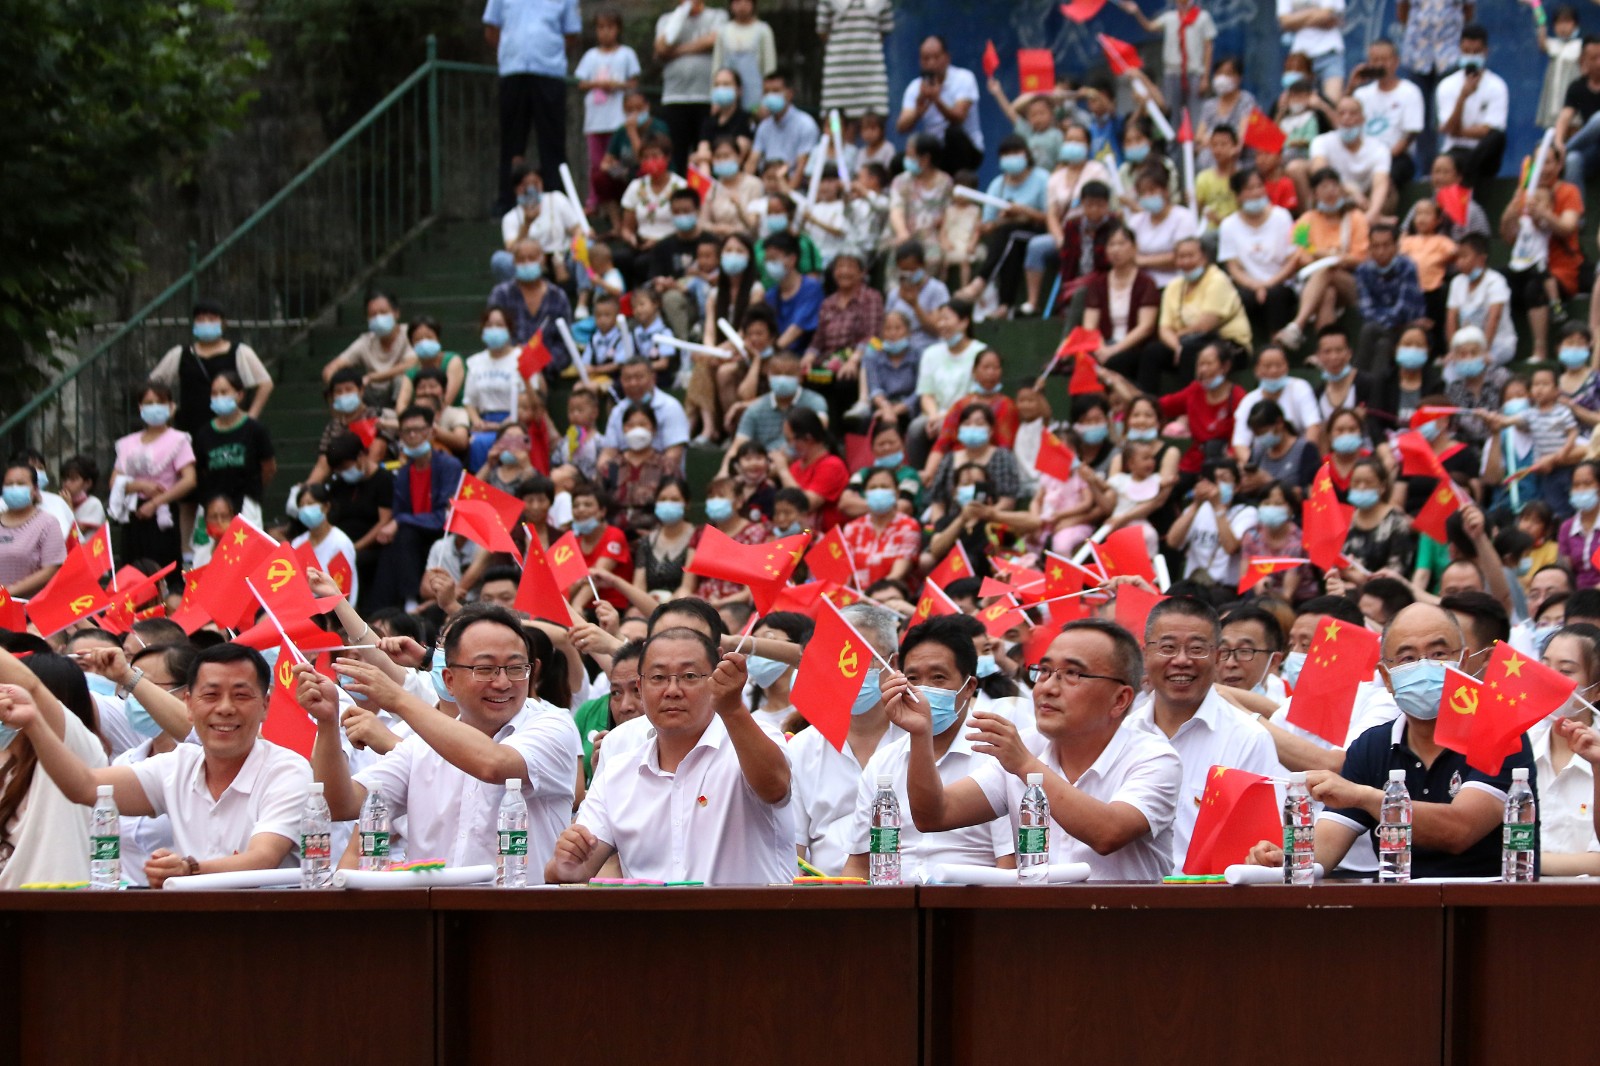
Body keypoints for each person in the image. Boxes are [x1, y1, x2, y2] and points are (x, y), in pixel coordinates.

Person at [1247, 603, 1537, 878]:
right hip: (1399, 902)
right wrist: (1282, 858)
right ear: (1386, 677)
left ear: (1463, 661)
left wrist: (1365, 796)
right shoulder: (1372, 746)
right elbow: (1324, 848)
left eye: (1438, 653)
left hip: (1489, 903)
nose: (1424, 666)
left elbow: (1459, 830)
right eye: (1407, 658)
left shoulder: (1498, 732)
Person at [299, 602, 578, 875]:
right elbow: (340, 804)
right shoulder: (421, 744)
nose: (503, 682)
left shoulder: (553, 726)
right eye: (485, 669)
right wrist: (327, 721)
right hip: (431, 904)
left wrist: (398, 699)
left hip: (517, 902)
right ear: (449, 680)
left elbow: (494, 764)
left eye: (516, 668)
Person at [2, 643, 309, 887]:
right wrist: (34, 723)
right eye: (211, 695)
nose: (225, 708)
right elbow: (84, 787)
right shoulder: (177, 766)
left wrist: (189, 870)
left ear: (265, 705)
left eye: (241, 696)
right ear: (189, 705)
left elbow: (263, 858)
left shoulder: (287, 770)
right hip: (189, 926)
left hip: (267, 930)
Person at [548, 628, 791, 885]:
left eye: (689, 676)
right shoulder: (618, 772)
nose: (672, 690)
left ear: (715, 680)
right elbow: (574, 871)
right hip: (650, 912)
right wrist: (567, 859)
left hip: (752, 912)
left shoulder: (754, 738)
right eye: (658, 677)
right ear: (641, 688)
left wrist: (732, 709)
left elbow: (775, 788)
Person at [1127, 596, 1284, 867]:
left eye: (1197, 649)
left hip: (1212, 889)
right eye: (1168, 647)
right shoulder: (1122, 733)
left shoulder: (1248, 738)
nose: (1181, 660)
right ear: (1145, 654)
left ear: (1217, 656)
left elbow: (1265, 844)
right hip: (1132, 889)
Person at [371, 406, 463, 611]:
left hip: (441, 530)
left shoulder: (449, 465)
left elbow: (444, 516)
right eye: (406, 431)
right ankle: (379, 612)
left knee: (405, 533)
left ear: (431, 431)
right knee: (389, 546)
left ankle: (411, 600)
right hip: (414, 532)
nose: (412, 436)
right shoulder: (404, 472)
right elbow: (400, 511)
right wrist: (400, 521)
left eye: (418, 430)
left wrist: (400, 521)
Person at [149, 300, 275, 439]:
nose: (206, 323)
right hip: (190, 428)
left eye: (212, 319)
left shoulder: (240, 352)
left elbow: (265, 383)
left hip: (230, 428)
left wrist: (252, 416)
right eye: (200, 319)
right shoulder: (180, 354)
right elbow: (153, 384)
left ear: (223, 323)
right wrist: (168, 408)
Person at [113, 383, 197, 578]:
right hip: (133, 511)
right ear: (140, 407)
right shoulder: (128, 443)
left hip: (162, 513)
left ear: (170, 406)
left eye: (159, 402)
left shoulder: (178, 440)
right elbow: (114, 480)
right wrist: (140, 485)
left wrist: (156, 502)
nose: (154, 407)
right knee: (132, 571)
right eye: (148, 403)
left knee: (163, 569)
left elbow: (189, 479)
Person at [1219, 170, 1299, 342]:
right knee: (1240, 298)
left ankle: (1277, 344)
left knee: (1276, 295)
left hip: (1280, 282)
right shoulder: (1228, 225)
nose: (1256, 192)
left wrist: (1269, 283)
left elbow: (1293, 259)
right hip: (1249, 285)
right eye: (1249, 189)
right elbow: (1233, 267)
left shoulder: (1282, 216)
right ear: (1238, 195)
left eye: (1259, 186)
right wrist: (1255, 285)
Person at [1085, 224, 1165, 394]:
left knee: (1119, 360)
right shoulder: (1097, 284)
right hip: (1104, 345)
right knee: (1085, 361)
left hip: (1134, 346)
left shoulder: (1146, 283)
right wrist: (1101, 349)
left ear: (1134, 248)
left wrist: (1113, 350)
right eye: (1111, 244)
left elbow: (1146, 326)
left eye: (1121, 243)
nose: (1116, 250)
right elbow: (1089, 326)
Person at [574, 11, 641, 212]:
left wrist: (617, 85)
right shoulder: (590, 56)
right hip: (595, 121)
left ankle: (620, 200)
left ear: (618, 29)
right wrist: (598, 83)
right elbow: (581, 83)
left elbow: (634, 83)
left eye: (610, 27)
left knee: (617, 164)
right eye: (601, 28)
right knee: (596, 164)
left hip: (617, 120)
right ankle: (595, 201)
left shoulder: (627, 54)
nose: (605, 32)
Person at [1158, 239, 1251, 382]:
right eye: (1181, 257)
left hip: (1229, 343)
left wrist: (1178, 337)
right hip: (1186, 342)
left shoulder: (1217, 280)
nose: (1186, 261)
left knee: (1191, 350)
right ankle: (1144, 396)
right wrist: (1177, 347)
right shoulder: (1173, 286)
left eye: (1191, 256)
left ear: (1204, 258)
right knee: (1153, 352)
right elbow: (1164, 329)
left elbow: (1205, 327)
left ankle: (1191, 394)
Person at [653, 0, 727, 172]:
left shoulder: (717, 16)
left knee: (703, 154)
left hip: (707, 98)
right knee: (677, 154)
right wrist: (681, 14)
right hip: (674, 99)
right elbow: (662, 48)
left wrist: (676, 51)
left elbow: (713, 40)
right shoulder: (667, 19)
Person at [191, 370, 276, 520]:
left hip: (246, 504)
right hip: (212, 505)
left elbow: (269, 468)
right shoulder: (204, 433)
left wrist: (252, 491)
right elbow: (201, 470)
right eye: (214, 393)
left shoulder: (255, 430)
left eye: (224, 392)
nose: (219, 397)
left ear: (240, 395)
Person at [1399, 0, 1473, 165]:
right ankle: (1428, 170)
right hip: (1417, 55)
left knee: (1442, 115)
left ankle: (1447, 166)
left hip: (1449, 54)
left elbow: (1468, 11)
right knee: (1420, 117)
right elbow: (1402, 10)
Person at [1436, 24, 1507, 196]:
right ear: (1460, 51)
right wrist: (1463, 97)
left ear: (1486, 52)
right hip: (1456, 151)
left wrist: (1457, 131)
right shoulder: (1447, 85)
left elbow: (1489, 131)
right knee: (1447, 162)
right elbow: (1449, 128)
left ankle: (1464, 188)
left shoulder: (1497, 86)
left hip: (1484, 155)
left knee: (1497, 138)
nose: (1471, 57)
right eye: (1467, 52)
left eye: (1476, 52)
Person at [1158, 338, 1245, 479]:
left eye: (1208, 364)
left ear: (1225, 366)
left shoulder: (1238, 396)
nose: (1203, 370)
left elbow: (1239, 442)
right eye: (1200, 364)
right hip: (1193, 463)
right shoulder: (1195, 390)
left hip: (1223, 466)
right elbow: (1160, 406)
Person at [1115, 0, 1215, 122]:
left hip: (1194, 72)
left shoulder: (1203, 18)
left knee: (1196, 113)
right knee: (1172, 113)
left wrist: (1205, 77)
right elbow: (1149, 27)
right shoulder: (1170, 18)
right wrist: (1137, 12)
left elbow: (1208, 48)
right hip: (1172, 72)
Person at [895, 36, 983, 174]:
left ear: (947, 57)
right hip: (934, 151)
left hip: (967, 149)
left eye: (936, 57)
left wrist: (936, 100)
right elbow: (901, 127)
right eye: (926, 58)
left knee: (953, 133)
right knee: (899, 162)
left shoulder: (964, 78)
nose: (931, 63)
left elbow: (959, 118)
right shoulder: (915, 87)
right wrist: (918, 112)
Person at [487, 238, 574, 371]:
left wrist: (538, 361)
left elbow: (565, 345)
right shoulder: (501, 294)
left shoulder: (557, 297)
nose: (526, 263)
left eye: (531, 258)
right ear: (514, 262)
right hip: (507, 370)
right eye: (521, 259)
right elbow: (493, 334)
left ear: (542, 260)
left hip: (546, 372)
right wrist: (515, 355)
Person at [1349, 38, 1424, 189]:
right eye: (1374, 60)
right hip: (1362, 156)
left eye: (1384, 60)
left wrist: (1383, 157)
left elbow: (1410, 135)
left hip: (1396, 157)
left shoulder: (1410, 92)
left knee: (1383, 179)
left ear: (1396, 62)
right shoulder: (1361, 94)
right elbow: (1343, 120)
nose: (1379, 65)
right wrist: (1351, 87)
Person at [598, 357, 691, 472]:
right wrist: (604, 471)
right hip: (624, 477)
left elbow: (674, 455)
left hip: (663, 477)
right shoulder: (618, 411)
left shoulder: (670, 407)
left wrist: (645, 477)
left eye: (639, 377)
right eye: (627, 379)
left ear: (653, 378)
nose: (633, 383)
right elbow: (608, 453)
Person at [1309, 96, 1392, 224]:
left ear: (1363, 119)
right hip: (1337, 195)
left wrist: (1372, 213)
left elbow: (1380, 182)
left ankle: (1377, 221)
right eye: (1341, 113)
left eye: (1352, 113)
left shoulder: (1379, 148)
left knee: (1389, 187)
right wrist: (1350, 191)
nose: (1346, 118)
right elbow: (1320, 173)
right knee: (1322, 181)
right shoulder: (1321, 141)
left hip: (1364, 201)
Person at [773, 407, 850, 530]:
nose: (787, 446)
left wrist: (783, 470)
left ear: (808, 438)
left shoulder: (832, 465)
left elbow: (805, 505)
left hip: (827, 537)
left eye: (789, 440)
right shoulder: (796, 466)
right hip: (802, 534)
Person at [0, 462, 65, 598]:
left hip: (28, 606)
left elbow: (51, 570)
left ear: (35, 490)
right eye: (9, 484)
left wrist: (7, 593)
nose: (14, 488)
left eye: (21, 484)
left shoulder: (47, 523)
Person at [291, 484, 360, 606]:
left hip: (335, 610)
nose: (305, 509)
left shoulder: (340, 542)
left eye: (310, 504)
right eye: (301, 506)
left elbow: (343, 590)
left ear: (326, 507)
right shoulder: (297, 543)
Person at [749, 70, 821, 174]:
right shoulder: (764, 126)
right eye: (766, 92)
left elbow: (802, 168)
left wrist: (786, 185)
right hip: (768, 180)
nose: (770, 96)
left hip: (794, 182)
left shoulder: (806, 124)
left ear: (790, 94)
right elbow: (752, 162)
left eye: (776, 91)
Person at [1276, 0, 1346, 100]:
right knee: (1297, 102)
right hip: (1300, 57)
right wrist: (1315, 12)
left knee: (1333, 102)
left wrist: (1296, 20)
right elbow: (1284, 22)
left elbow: (1326, 15)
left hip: (1330, 52)